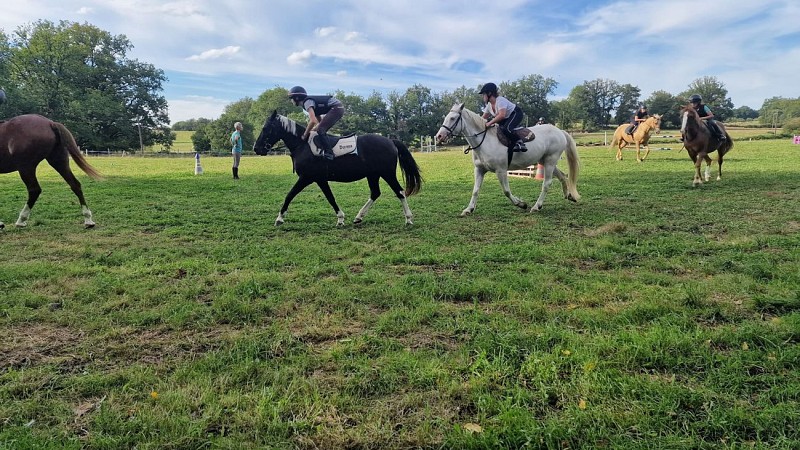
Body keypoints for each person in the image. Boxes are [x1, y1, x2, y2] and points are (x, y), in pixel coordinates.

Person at [288, 86, 344, 160]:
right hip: (337, 107)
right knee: (321, 129)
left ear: (297, 98)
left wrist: (305, 135)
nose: (291, 101)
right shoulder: (309, 103)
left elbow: (313, 121)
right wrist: (313, 129)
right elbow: (319, 121)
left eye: (291, 99)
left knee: (321, 130)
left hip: (336, 108)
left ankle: (329, 153)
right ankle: (326, 149)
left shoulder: (307, 103)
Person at [479, 82, 527, 152]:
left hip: (516, 113)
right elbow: (483, 118)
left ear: (489, 93)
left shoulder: (500, 101)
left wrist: (489, 123)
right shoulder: (489, 105)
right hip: (506, 118)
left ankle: (519, 142)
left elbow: (502, 115)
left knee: (506, 128)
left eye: (484, 94)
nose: (482, 96)